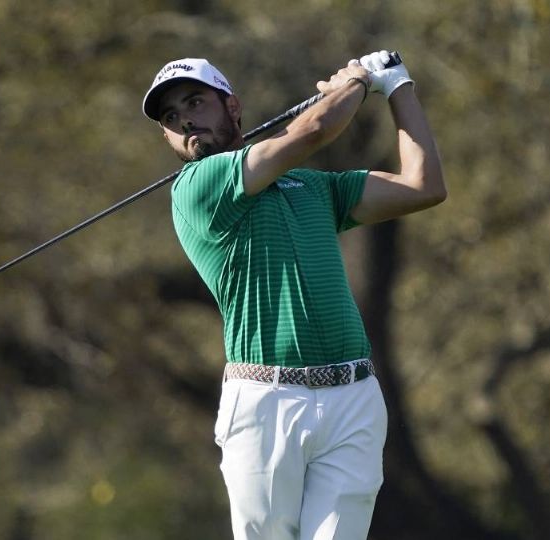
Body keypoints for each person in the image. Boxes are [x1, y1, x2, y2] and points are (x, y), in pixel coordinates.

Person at [141, 51, 445, 540]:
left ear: (232, 107)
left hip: (353, 397)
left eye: (195, 102)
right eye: (171, 118)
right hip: (266, 402)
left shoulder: (313, 186)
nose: (185, 121)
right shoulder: (197, 186)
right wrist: (355, 82)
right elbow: (313, 131)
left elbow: (422, 185)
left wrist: (397, 86)